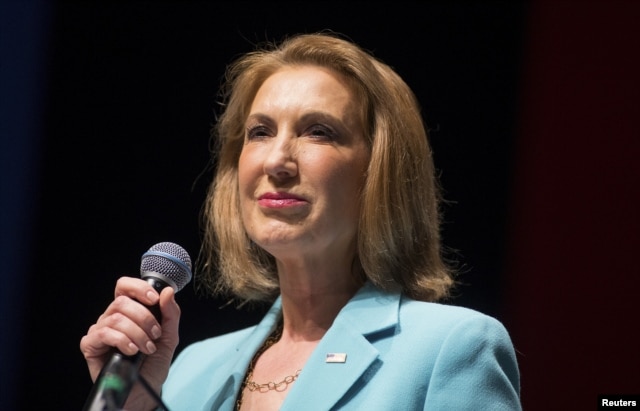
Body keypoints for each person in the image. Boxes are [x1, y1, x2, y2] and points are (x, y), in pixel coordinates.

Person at [80, 32, 521, 410]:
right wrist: (130, 402)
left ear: (380, 170)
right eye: (261, 132)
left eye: (318, 131)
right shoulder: (189, 369)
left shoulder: (453, 347)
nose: (277, 161)